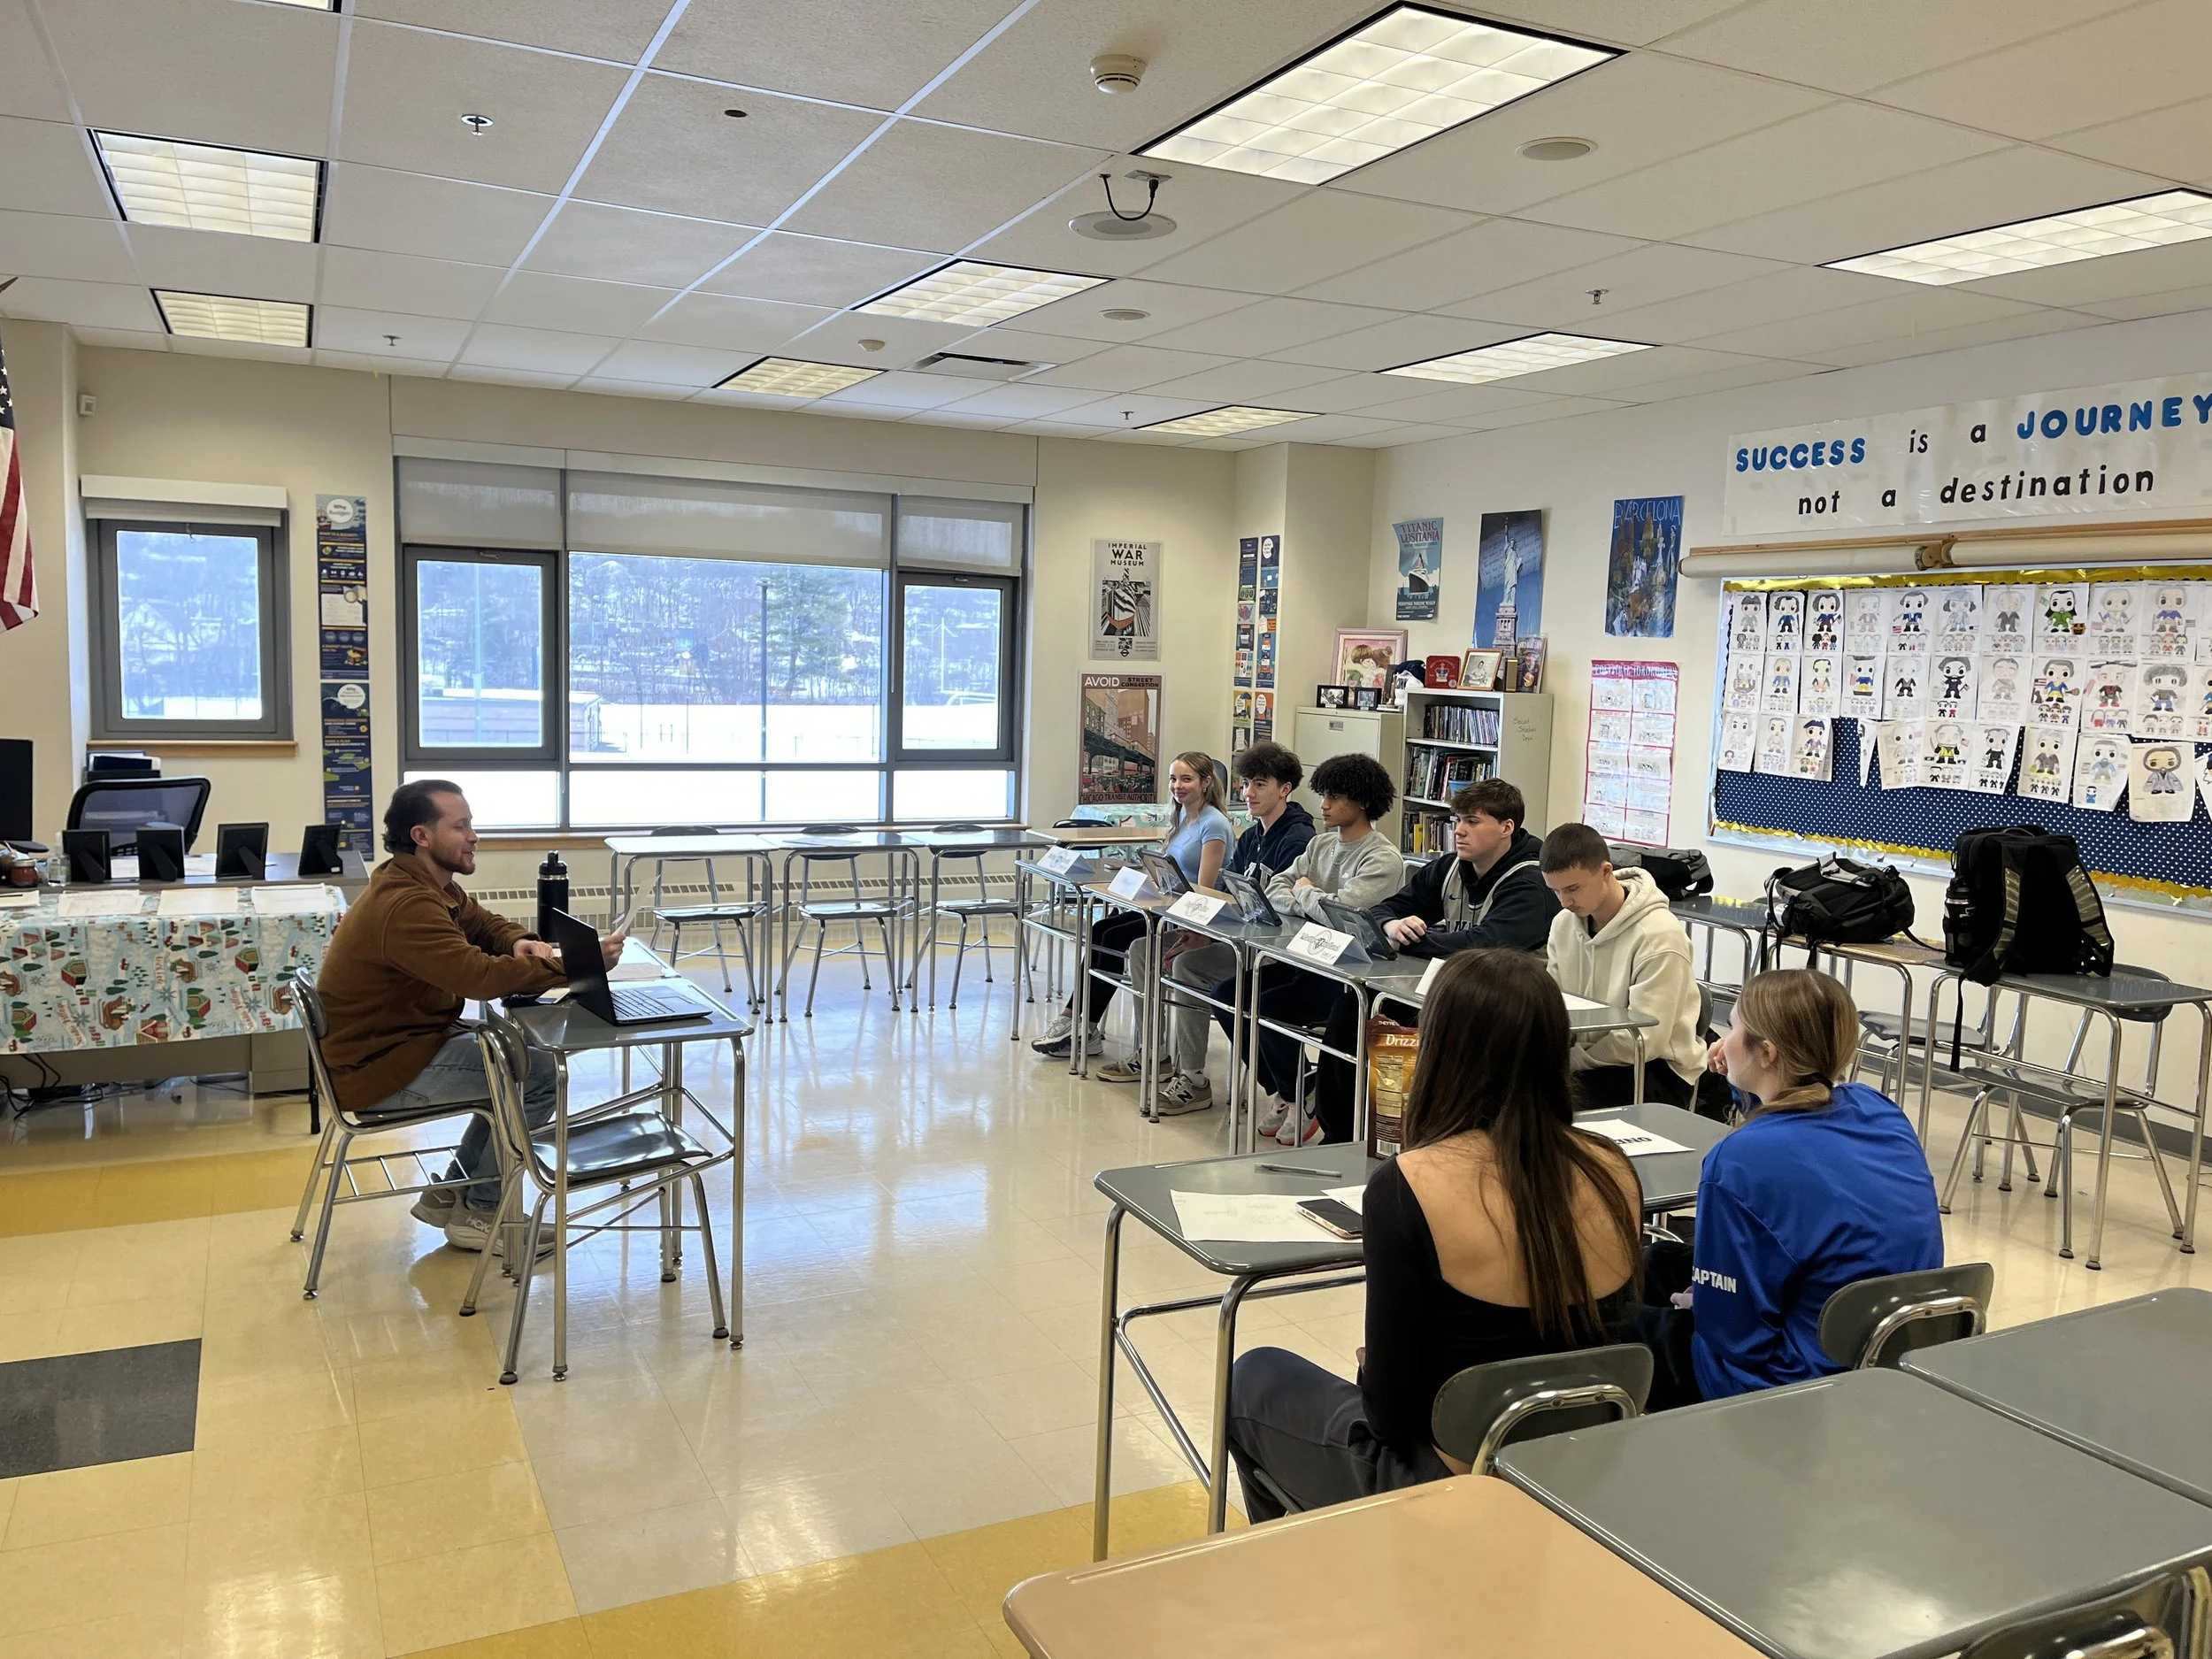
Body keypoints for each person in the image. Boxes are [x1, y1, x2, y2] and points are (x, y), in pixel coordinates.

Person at [1225, 950, 1641, 1518]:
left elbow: (1390, 1417)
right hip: (1580, 1466)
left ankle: (1319, 1569)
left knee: (1253, 1376)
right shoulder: (1614, 1168)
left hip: (1446, 1482)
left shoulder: (1409, 1185)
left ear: (1440, 1046)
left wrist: (1372, 1369)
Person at [315, 780, 626, 1253]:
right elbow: (477, 977)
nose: (473, 836)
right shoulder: (407, 905)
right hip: (377, 1071)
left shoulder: (422, 884)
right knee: (534, 1074)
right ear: (422, 836)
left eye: (471, 824)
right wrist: (572, 968)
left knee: (513, 1064)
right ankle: (482, 1213)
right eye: (460, 826)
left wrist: (517, 940)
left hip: (396, 1047)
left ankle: (454, 1194)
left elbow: (481, 923)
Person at [1637, 969, 1944, 1409]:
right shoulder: (1878, 1109)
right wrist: (1741, 1082)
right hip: (1880, 1347)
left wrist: (1703, 1303)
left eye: (1735, 1027)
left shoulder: (1739, 1160)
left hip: (1783, 1381)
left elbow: (1733, 1334)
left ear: (1766, 1051)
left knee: (1610, 1327)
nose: (1724, 1040)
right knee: (1659, 1262)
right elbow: (1787, 1109)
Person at [1303, 779, 1558, 1145]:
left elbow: (1483, 946)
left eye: (1472, 822)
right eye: (1457, 820)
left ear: (1506, 828)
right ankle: (1343, 1130)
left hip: (1505, 1005)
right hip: (1449, 988)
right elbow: (1382, 909)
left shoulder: (1533, 882)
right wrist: (1392, 924)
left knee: (1399, 1030)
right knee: (1355, 1007)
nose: (1459, 831)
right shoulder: (1452, 866)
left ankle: (1403, 1135)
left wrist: (1414, 939)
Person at [1103, 742, 1315, 1114]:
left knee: (1188, 966)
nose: (1248, 793)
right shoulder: (1253, 836)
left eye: (1259, 785)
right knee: (1140, 948)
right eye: (1246, 784)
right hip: (1237, 937)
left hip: (1270, 952)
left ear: (1285, 789)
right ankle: (1153, 1053)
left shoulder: (1297, 840)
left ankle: (1194, 1078)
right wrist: (1200, 930)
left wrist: (1208, 932)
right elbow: (1230, 896)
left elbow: (1279, 913)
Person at [1212, 752, 1404, 1146]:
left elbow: (1347, 914)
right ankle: (1294, 1090)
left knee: (1267, 1006)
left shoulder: (1382, 858)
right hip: (1305, 957)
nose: (1325, 805)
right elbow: (1276, 890)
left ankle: (1301, 1092)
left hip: (1349, 976)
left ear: (1363, 801)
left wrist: (1308, 892)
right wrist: (1313, 898)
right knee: (1227, 996)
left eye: (1335, 797)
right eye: (1323, 795)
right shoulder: (1318, 845)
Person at [1032, 752, 1230, 1061]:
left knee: (1113, 938)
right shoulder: (1180, 818)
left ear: (1206, 782)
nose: (1178, 786)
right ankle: (1078, 1020)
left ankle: (1085, 1025)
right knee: (1101, 928)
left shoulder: (1214, 825)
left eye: (1186, 779)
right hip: (1163, 905)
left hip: (1183, 915)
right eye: (1174, 779)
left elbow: (1204, 889)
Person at [1540, 823, 1703, 1108]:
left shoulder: (1659, 935)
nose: (1565, 902)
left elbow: (1646, 1038)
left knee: (1545, 1108)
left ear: (1606, 872)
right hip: (1587, 1056)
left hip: (1655, 1068)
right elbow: (1553, 1001)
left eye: (1573, 889)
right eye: (1556, 891)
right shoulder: (1563, 923)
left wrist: (1571, 1061)